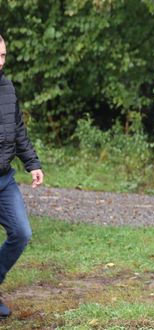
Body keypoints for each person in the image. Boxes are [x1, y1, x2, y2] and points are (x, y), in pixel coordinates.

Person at [0, 33, 44, 319]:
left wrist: (32, 163)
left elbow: (17, 130)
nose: (0, 61)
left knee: (22, 232)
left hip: (4, 179)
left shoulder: (7, 88)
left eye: (3, 55)